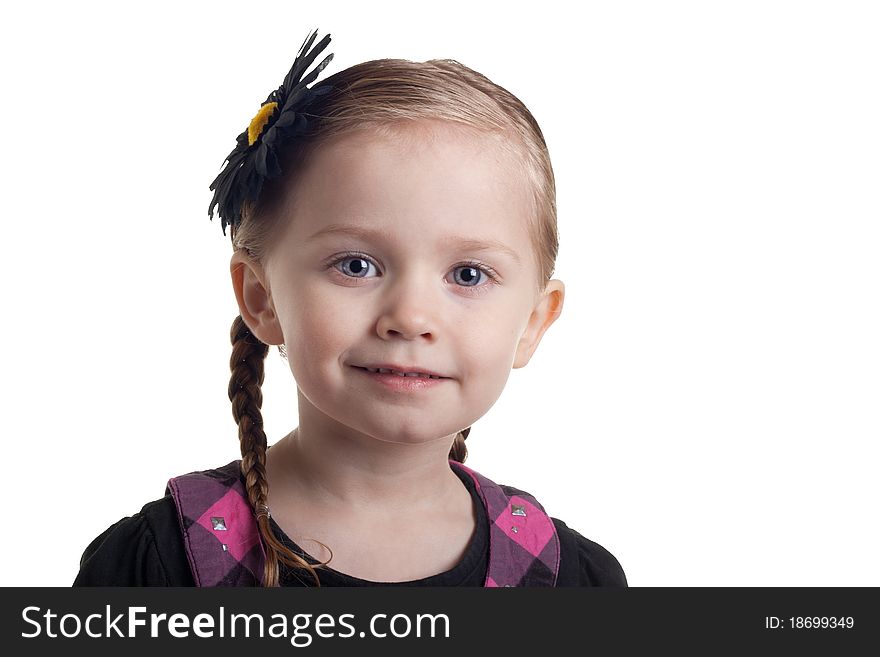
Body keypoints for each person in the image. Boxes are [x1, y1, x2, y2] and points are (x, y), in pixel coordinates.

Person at [74, 29, 627, 588]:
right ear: (261, 298)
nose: (409, 318)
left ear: (534, 322)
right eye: (356, 265)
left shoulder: (573, 581)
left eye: (468, 275)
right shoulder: (153, 565)